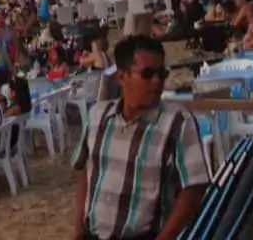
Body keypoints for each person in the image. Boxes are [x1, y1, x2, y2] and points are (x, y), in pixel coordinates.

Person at [73, 35, 210, 240]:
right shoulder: (97, 116)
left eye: (161, 74)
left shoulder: (177, 122)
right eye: (147, 74)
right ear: (121, 77)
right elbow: (86, 169)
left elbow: (194, 190)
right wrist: (78, 231)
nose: (157, 81)